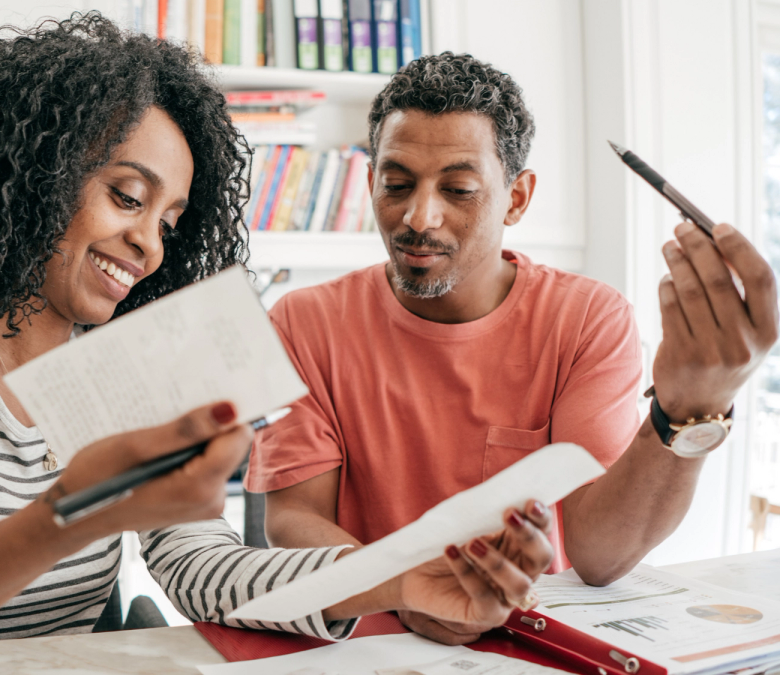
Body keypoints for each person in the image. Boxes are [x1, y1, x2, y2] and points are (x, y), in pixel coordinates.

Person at [0, 19, 556, 675]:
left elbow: (208, 570)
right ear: (32, 172)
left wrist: (399, 576)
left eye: (171, 222)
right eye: (127, 196)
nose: (149, 246)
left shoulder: (139, 361)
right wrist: (67, 517)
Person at [248, 52, 779, 646]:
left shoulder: (585, 319)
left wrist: (687, 408)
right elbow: (293, 517)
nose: (419, 217)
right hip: (363, 639)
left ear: (517, 199)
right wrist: (402, 587)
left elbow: (599, 557)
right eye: (396, 184)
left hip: (522, 641)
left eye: (459, 189)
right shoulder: (302, 320)